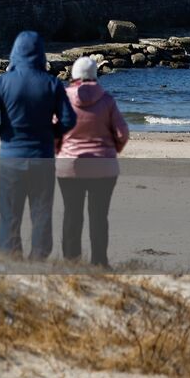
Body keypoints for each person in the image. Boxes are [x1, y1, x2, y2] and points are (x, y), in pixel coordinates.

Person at [0, 30, 77, 259]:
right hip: (42, 156)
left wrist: (2, 132)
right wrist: (52, 133)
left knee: (10, 214)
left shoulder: (3, 82)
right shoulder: (52, 84)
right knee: (41, 213)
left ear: (15, 52)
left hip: (12, 156)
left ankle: (12, 259)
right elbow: (69, 120)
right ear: (41, 54)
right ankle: (38, 260)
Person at [56, 57, 128, 267]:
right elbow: (122, 133)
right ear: (95, 75)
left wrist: (59, 150)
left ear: (73, 76)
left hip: (69, 166)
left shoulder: (63, 99)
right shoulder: (107, 100)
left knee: (72, 214)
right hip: (103, 167)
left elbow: (53, 131)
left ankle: (71, 263)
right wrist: (113, 150)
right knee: (98, 216)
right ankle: (99, 263)